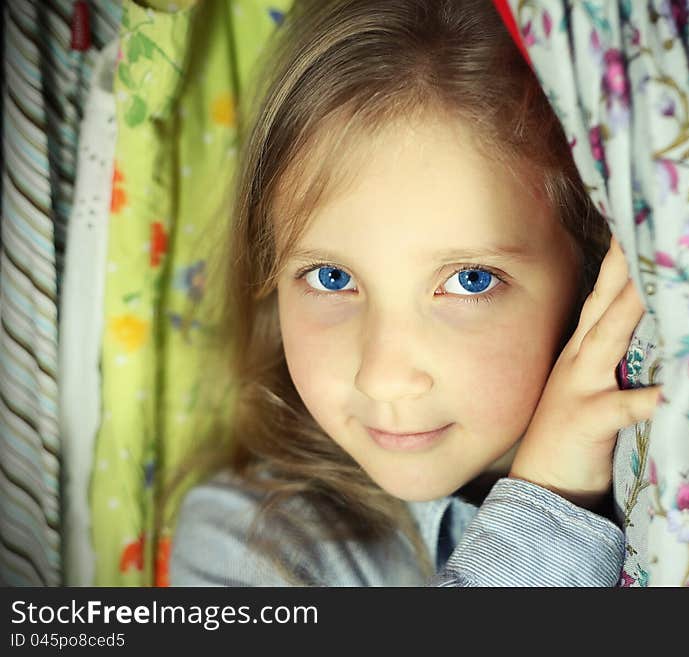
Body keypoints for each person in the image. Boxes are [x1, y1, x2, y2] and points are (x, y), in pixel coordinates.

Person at [169, 0, 660, 587]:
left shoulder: (665, 481)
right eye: (332, 277)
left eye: (469, 281)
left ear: (588, 270)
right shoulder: (246, 542)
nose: (383, 378)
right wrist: (546, 510)